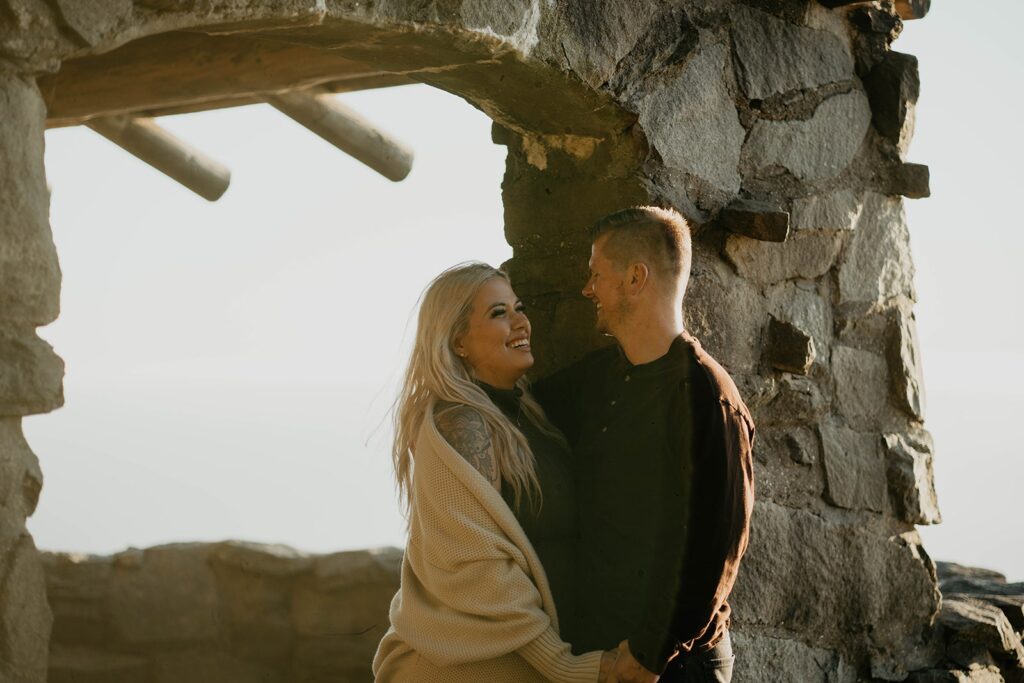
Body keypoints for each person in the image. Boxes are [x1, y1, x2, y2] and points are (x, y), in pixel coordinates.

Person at [534, 206, 756, 683]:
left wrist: (649, 652)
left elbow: (714, 551)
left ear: (636, 277)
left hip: (673, 667)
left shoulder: (707, 399)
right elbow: (518, 409)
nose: (586, 289)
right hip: (602, 656)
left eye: (596, 274)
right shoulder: (596, 379)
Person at [372, 262, 618, 682]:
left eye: (518, 307)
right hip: (463, 670)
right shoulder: (460, 423)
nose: (521, 321)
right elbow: (476, 564)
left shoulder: (529, 415)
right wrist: (564, 665)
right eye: (498, 313)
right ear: (459, 341)